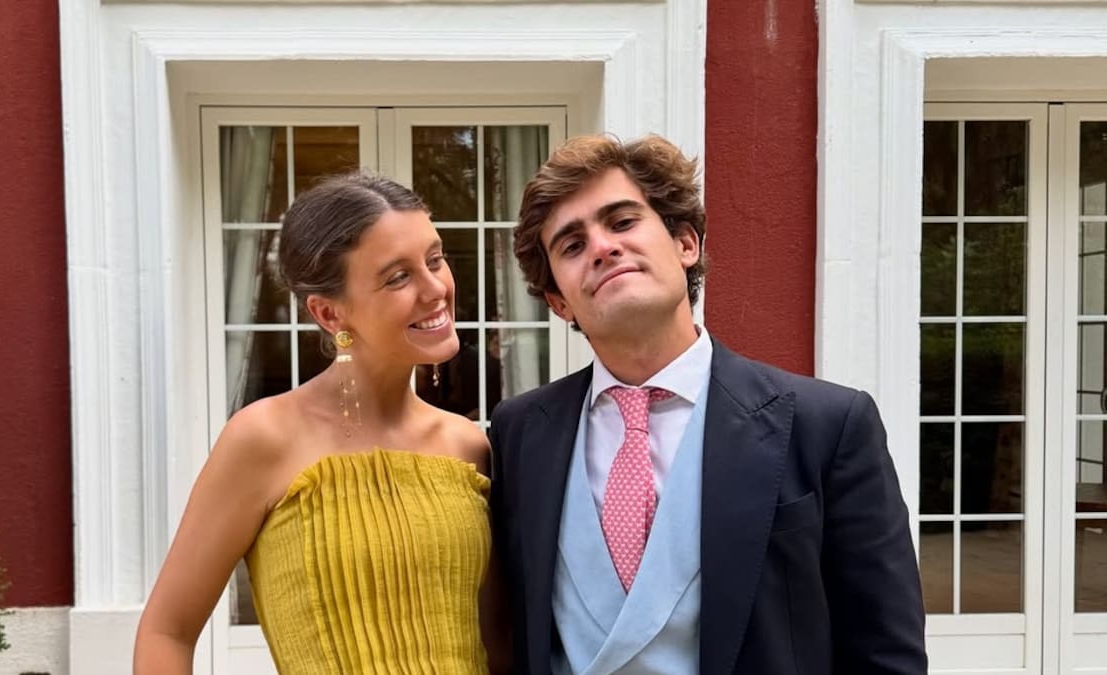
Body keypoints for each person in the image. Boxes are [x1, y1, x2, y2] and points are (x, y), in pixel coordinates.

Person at [488, 134, 927, 674]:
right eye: (572, 246)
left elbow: (886, 652)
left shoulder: (828, 425)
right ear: (559, 301)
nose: (602, 247)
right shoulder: (519, 432)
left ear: (685, 244)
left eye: (622, 222)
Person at [134, 173, 507, 674]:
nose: (435, 287)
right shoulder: (265, 438)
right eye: (398, 277)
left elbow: (500, 645)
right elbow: (167, 632)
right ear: (329, 314)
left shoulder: (468, 447)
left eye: (434, 259)